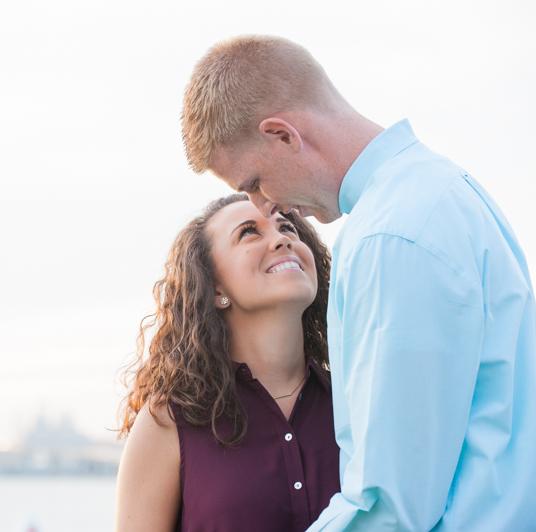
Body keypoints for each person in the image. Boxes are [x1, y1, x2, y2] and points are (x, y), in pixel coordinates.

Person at [181, 35, 536, 531]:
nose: (266, 205)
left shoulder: (389, 236)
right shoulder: (448, 190)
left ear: (283, 135)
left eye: (254, 183)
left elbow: (390, 506)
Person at [115, 194, 340, 531]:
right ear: (214, 287)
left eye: (287, 227)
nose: (281, 239)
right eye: (249, 232)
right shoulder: (167, 422)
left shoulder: (356, 401)